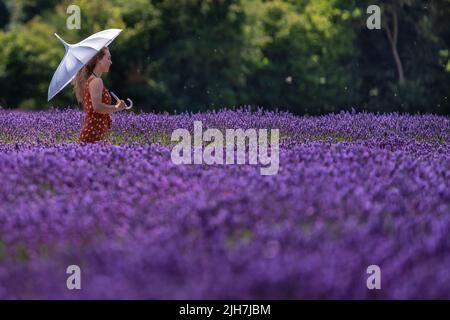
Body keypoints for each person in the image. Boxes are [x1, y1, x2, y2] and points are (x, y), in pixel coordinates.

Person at [71, 47, 126, 144]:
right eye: (108, 58)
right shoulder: (96, 81)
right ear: (99, 60)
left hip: (96, 131)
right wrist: (117, 107)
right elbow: (97, 107)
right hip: (93, 133)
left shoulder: (93, 79)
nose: (111, 62)